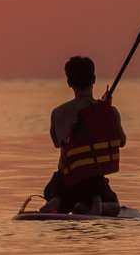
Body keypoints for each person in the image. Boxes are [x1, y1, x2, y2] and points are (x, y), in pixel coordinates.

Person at [39, 55, 125, 214]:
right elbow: (122, 141)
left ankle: (57, 201)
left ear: (69, 82)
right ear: (94, 79)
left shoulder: (58, 113)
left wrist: (100, 111)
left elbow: (57, 142)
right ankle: (97, 204)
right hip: (94, 182)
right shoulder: (111, 112)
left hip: (64, 181)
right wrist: (103, 112)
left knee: (54, 192)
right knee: (115, 206)